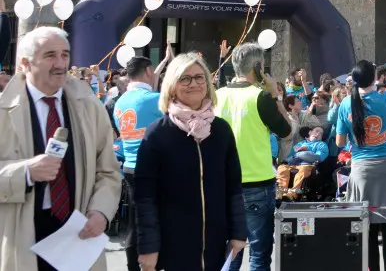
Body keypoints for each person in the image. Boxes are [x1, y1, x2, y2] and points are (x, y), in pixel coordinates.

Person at [0, 26, 121, 271]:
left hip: (78, 233)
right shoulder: (4, 110)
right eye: (50, 55)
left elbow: (108, 171)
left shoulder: (88, 105)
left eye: (65, 55)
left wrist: (101, 211)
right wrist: (25, 172)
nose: (60, 63)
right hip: (20, 234)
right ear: (25, 63)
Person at [136, 52, 247, 271]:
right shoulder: (157, 134)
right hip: (172, 247)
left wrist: (238, 232)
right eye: (184, 78)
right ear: (171, 86)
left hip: (215, 246)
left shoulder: (221, 130)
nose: (193, 83)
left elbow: (233, 186)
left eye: (199, 77)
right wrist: (148, 247)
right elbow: (144, 197)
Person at [336, 46, 386, 271]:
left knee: (368, 228)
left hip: (361, 170)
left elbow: (339, 143)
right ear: (374, 78)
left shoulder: (345, 104)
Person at [215, 42, 292, 271]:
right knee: (259, 254)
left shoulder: (217, 95)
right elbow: (288, 131)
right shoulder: (260, 97)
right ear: (258, 67)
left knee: (231, 253)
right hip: (257, 183)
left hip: (225, 184)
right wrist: (276, 95)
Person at [113, 56, 163, 271]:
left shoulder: (120, 101)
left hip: (130, 168)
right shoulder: (155, 99)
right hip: (155, 169)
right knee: (158, 221)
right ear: (148, 71)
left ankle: (133, 266)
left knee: (136, 222)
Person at [276, 126, 329, 200]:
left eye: (321, 133)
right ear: (310, 132)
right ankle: (280, 192)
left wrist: (303, 152)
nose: (318, 133)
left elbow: (318, 157)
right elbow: (292, 155)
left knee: (304, 170)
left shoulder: (322, 145)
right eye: (316, 131)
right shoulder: (300, 143)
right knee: (282, 168)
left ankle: (292, 194)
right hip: (292, 163)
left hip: (306, 164)